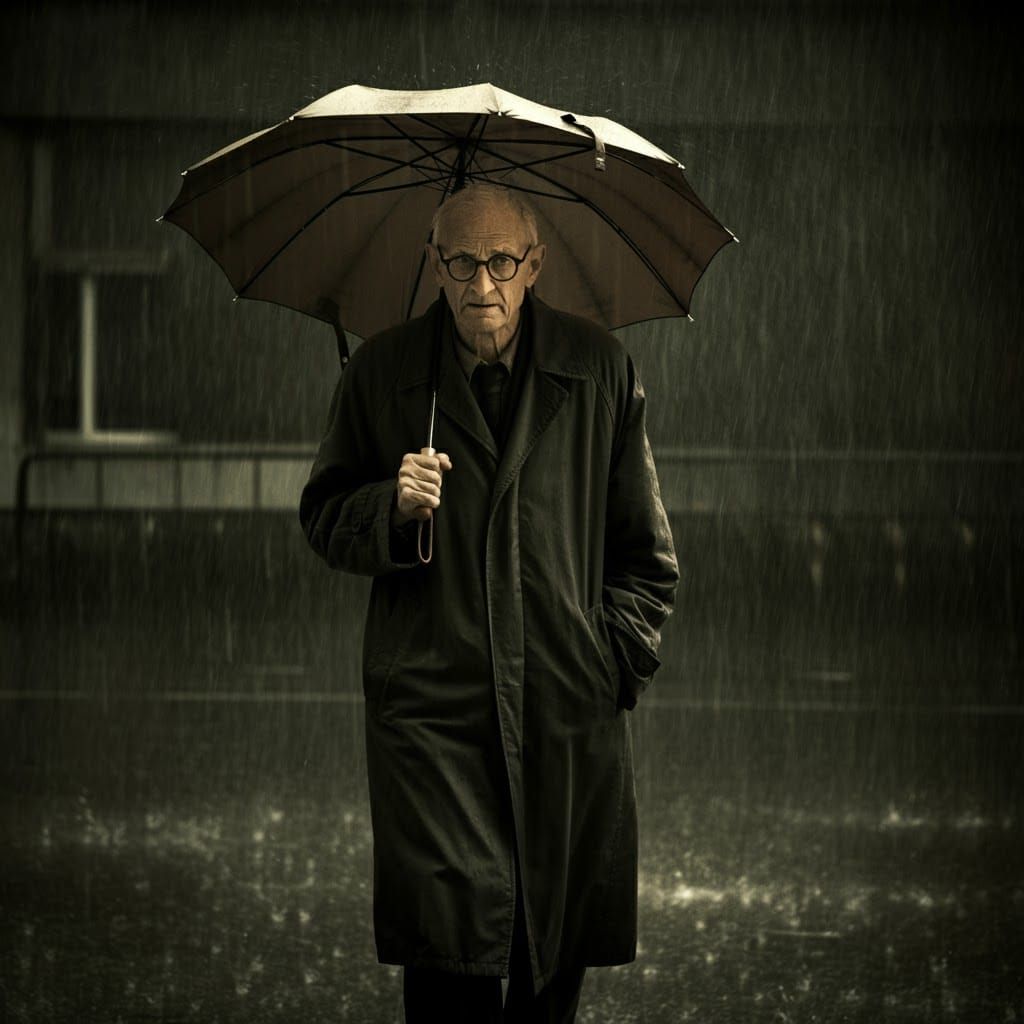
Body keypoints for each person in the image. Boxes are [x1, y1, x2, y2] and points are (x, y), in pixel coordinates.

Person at [299, 182, 678, 1023]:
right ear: (433, 264)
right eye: (463, 262)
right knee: (447, 967)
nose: (483, 287)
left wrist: (607, 661)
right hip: (433, 718)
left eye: (502, 262)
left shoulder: (600, 369)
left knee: (550, 969)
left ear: (534, 264)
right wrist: (387, 509)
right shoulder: (384, 374)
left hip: (564, 717)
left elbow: (648, 560)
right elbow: (323, 516)